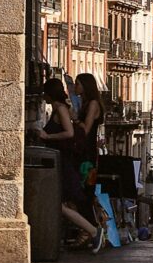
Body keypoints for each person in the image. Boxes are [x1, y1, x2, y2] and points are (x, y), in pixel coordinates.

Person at [35, 78, 104, 253]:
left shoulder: (62, 108)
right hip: (63, 161)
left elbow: (72, 132)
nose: (43, 96)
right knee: (64, 202)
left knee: (68, 201)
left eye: (79, 84)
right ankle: (89, 231)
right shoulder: (64, 108)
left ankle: (93, 230)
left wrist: (47, 136)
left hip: (70, 161)